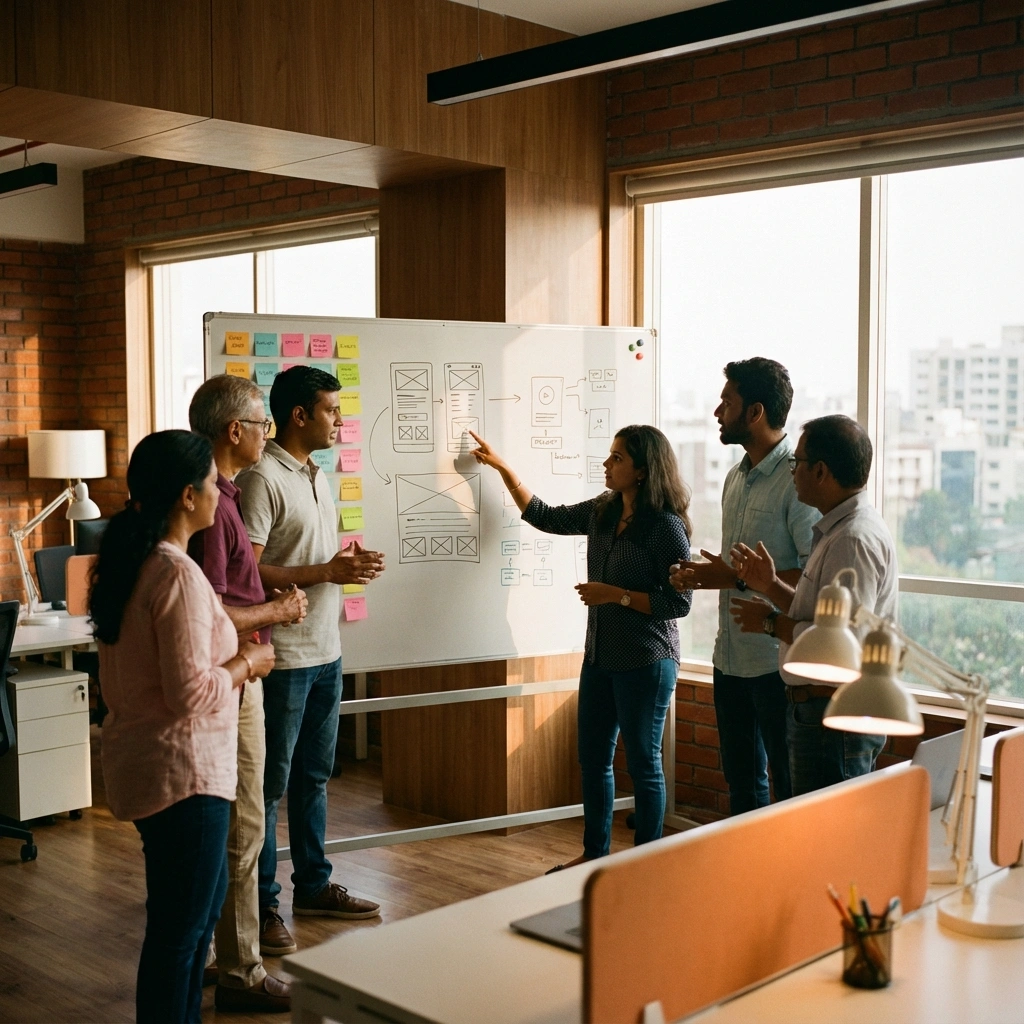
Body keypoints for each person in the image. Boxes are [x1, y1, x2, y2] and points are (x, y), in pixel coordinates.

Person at [91, 430, 276, 1024]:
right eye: (211, 486)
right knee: (181, 935)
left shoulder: (136, 562)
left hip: (157, 767)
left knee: (189, 928)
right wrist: (249, 662)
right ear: (187, 497)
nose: (221, 497)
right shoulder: (174, 575)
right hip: (186, 776)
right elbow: (191, 692)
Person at [470, 425, 692, 869]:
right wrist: (504, 470)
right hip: (600, 657)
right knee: (593, 762)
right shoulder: (604, 510)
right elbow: (546, 516)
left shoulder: (665, 527)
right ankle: (594, 857)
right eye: (609, 456)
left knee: (645, 767)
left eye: (617, 459)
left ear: (643, 471)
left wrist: (615, 595)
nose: (606, 465)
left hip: (647, 660)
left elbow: (679, 603)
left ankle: (647, 866)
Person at [237, 365, 386, 956]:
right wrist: (327, 571)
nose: (340, 420)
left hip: (328, 650)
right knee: (270, 783)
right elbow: (246, 570)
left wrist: (347, 562)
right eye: (331, 410)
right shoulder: (260, 479)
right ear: (299, 416)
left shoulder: (316, 475)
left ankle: (314, 886)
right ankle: (263, 905)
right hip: (285, 657)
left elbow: (307, 556)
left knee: (315, 778)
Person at [187, 375, 309, 1013]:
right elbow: (205, 609)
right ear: (234, 430)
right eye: (263, 423)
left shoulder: (223, 495)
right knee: (245, 824)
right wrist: (277, 613)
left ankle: (215, 955)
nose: (269, 432)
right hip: (232, 679)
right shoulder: (213, 502)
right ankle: (242, 971)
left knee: (238, 822)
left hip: (236, 672)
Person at [669, 359, 819, 815]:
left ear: (754, 412)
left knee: (787, 789)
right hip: (729, 658)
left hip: (775, 664)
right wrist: (704, 573)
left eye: (726, 402)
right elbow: (743, 568)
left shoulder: (798, 482)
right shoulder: (735, 477)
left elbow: (812, 577)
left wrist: (730, 577)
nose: (717, 411)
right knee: (742, 786)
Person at [729, 414, 897, 795]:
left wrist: (772, 624)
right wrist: (771, 586)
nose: (792, 472)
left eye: (797, 463)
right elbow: (825, 620)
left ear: (820, 471)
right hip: (819, 712)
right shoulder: (837, 530)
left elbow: (842, 646)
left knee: (826, 841)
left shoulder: (852, 539)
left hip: (832, 716)